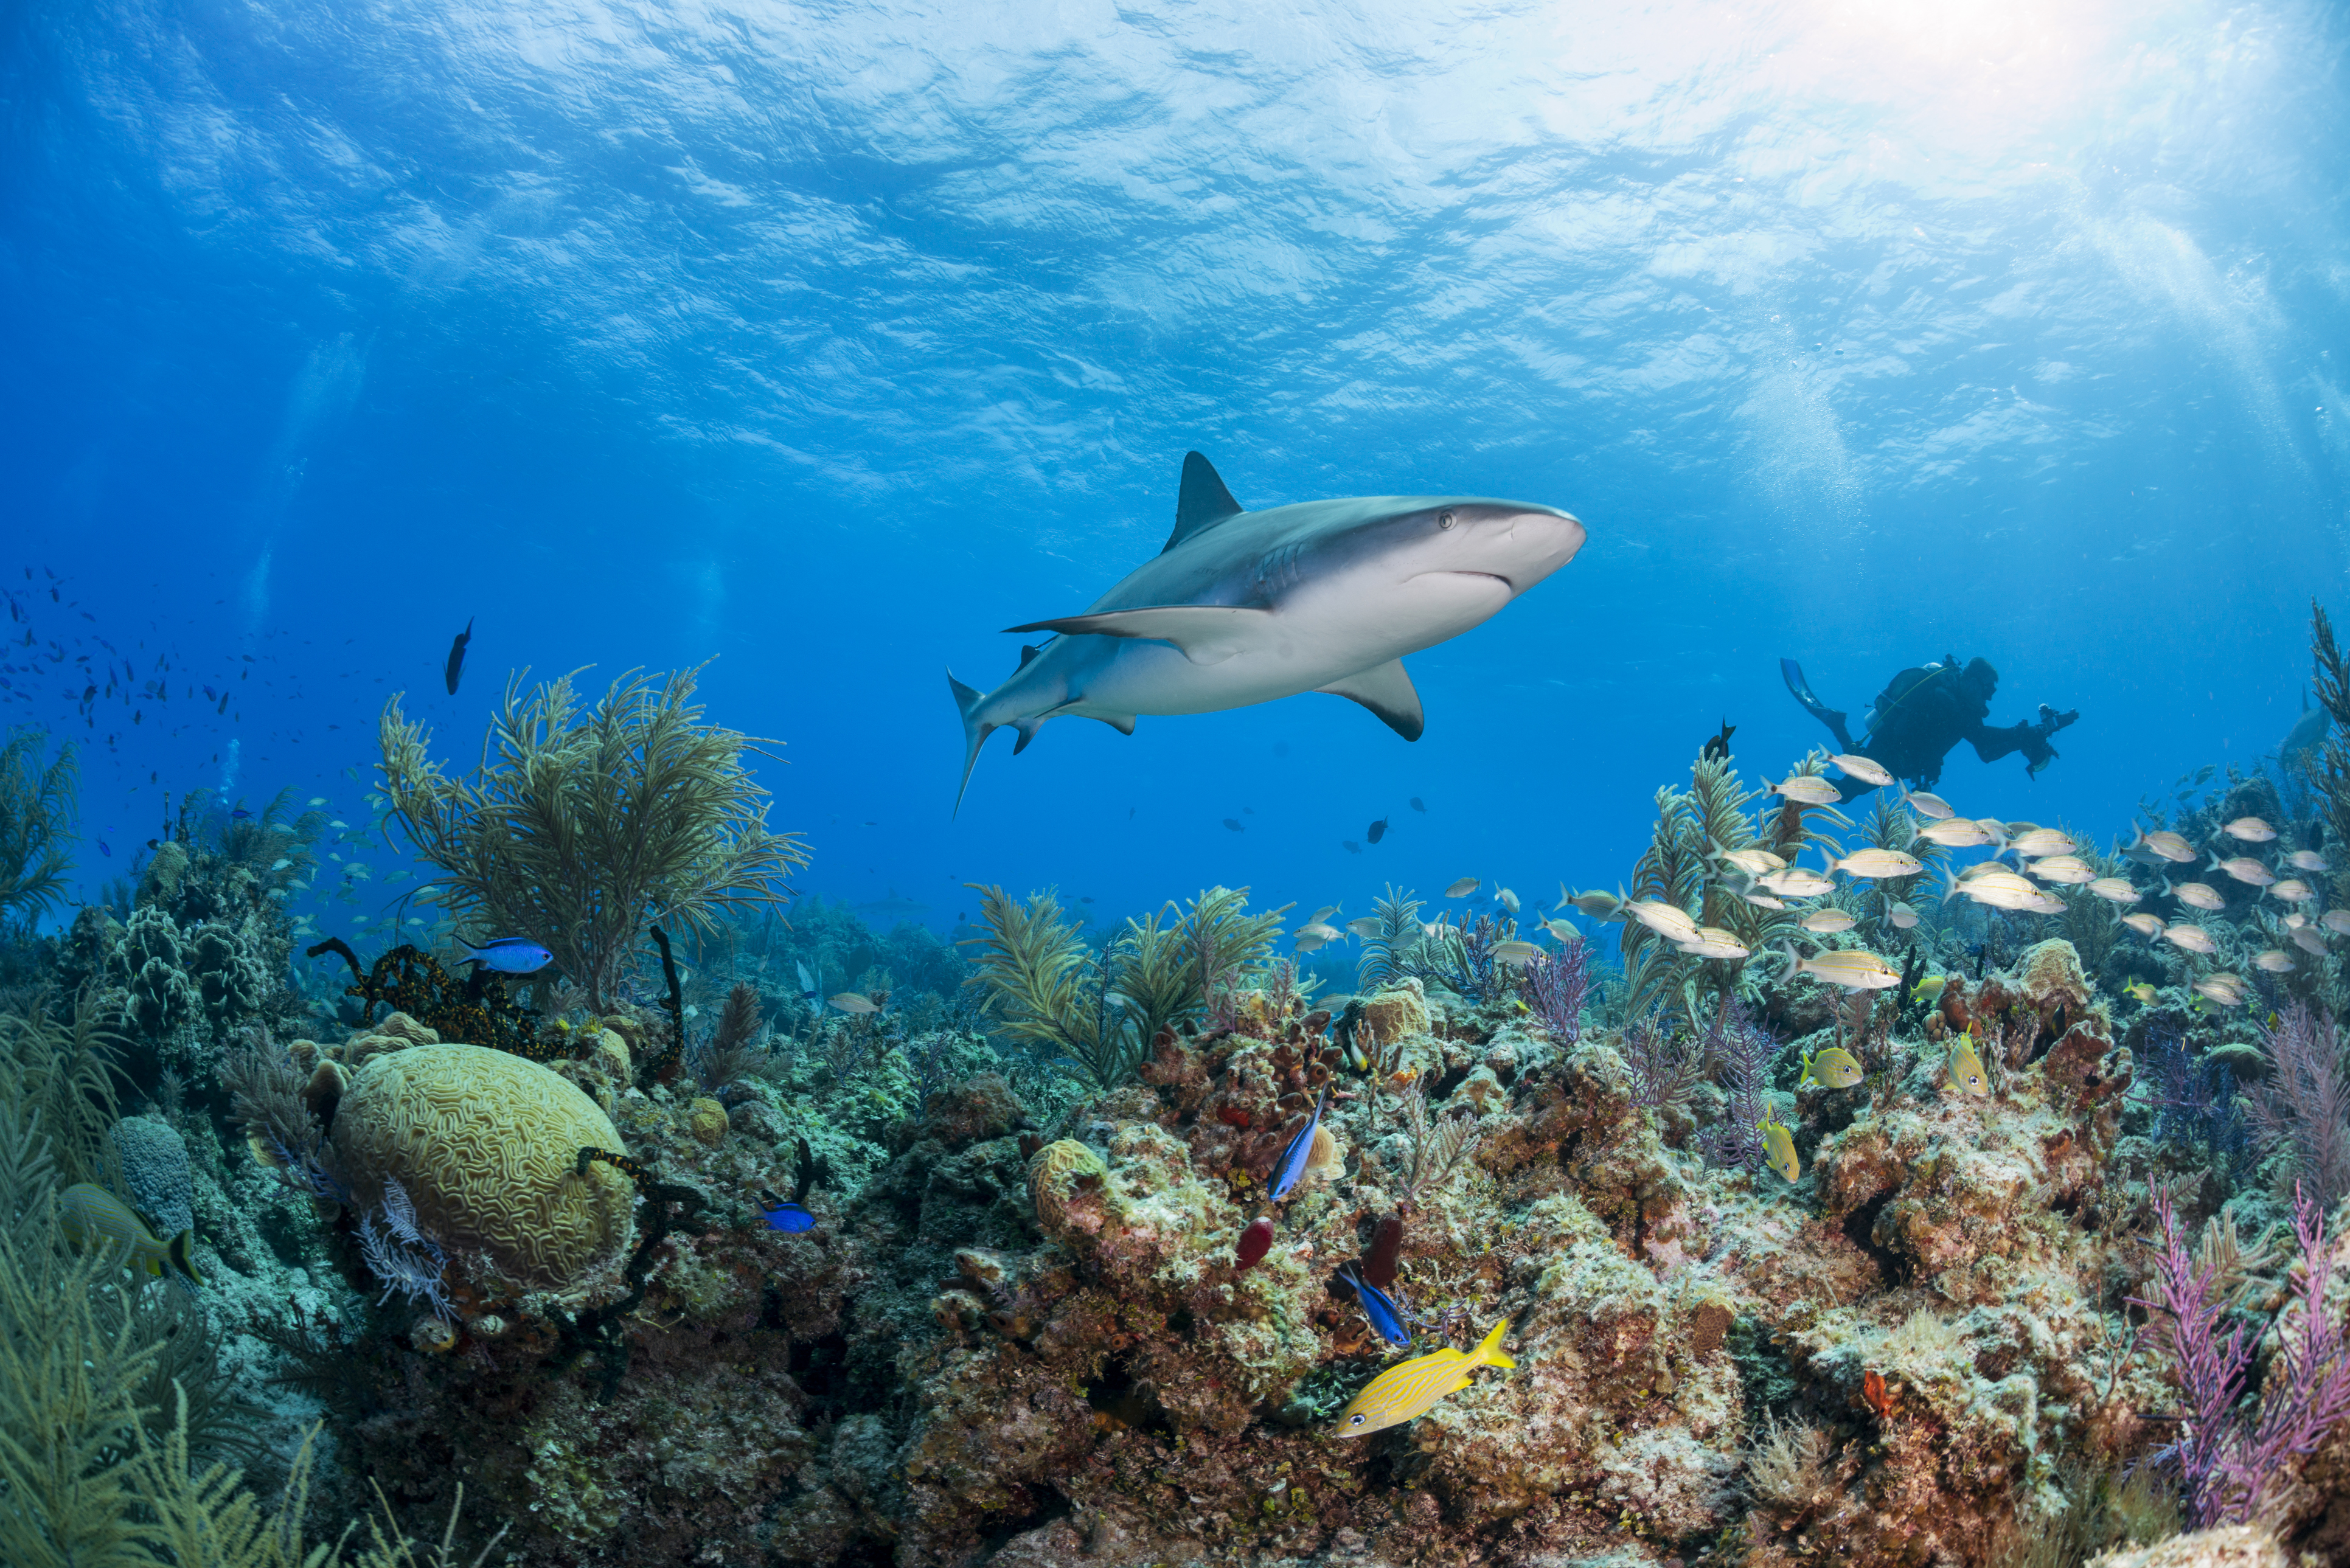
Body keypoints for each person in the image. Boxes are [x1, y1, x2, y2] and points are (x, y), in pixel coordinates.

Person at [1781, 654, 2077, 801]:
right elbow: (1985, 743)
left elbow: (1986, 748)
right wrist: (2026, 735)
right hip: (1892, 754)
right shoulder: (1946, 699)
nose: (1988, 697)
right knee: (1844, 793)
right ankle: (1793, 792)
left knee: (1848, 786)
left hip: (1904, 759)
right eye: (1987, 690)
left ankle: (1836, 730)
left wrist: (2028, 735)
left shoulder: (1962, 706)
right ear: (1972, 680)